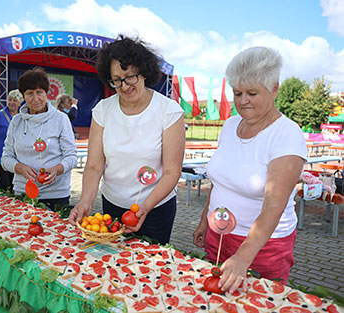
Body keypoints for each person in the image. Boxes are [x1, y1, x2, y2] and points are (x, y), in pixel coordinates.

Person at [192, 47, 307, 293]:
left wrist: (243, 258)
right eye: (237, 93)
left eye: (252, 93)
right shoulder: (230, 125)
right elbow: (219, 182)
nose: (243, 101)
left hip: (263, 247)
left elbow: (273, 206)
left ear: (274, 88)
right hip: (219, 235)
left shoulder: (286, 134)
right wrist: (204, 220)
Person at [68, 35, 185, 244]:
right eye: (117, 80)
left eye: (130, 77)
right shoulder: (103, 110)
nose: (124, 86)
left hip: (155, 209)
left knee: (150, 268)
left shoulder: (168, 111)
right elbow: (94, 165)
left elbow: (171, 172)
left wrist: (146, 207)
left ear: (144, 73)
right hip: (112, 205)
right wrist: (86, 201)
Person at [1, 68, 77, 210]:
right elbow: (6, 158)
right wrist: (19, 167)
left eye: (39, 92)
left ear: (47, 93)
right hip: (23, 193)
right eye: (30, 93)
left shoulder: (60, 119)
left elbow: (71, 156)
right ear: (23, 96)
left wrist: (58, 169)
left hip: (56, 194)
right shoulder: (16, 121)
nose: (35, 99)